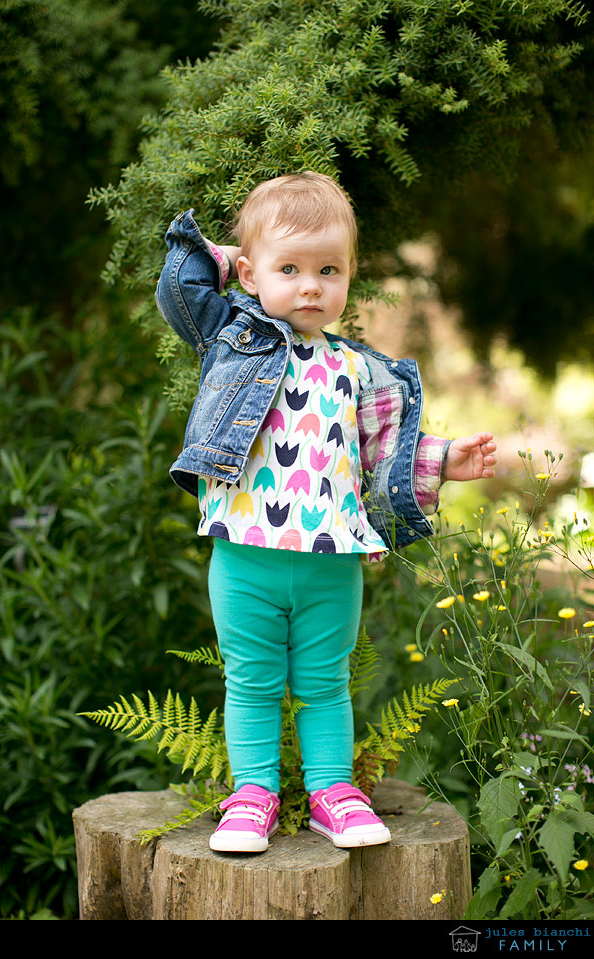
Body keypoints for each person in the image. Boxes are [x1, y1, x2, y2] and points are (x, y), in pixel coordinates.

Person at [155, 171, 496, 853]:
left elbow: (388, 452)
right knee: (250, 681)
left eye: (328, 269)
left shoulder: (360, 369)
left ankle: (331, 791)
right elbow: (180, 285)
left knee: (324, 682)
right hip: (244, 551)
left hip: (330, 559)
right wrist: (232, 262)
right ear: (250, 273)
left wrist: (445, 457)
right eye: (290, 268)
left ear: (347, 273)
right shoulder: (233, 336)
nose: (310, 285)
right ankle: (251, 793)